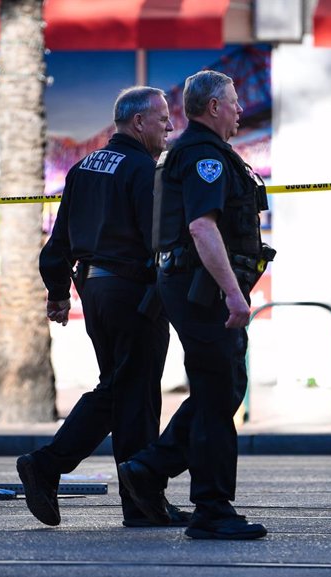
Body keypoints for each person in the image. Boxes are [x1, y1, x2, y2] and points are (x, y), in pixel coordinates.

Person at [16, 86, 190, 529]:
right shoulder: (143, 171)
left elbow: (58, 242)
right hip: (134, 293)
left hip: (95, 293)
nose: (170, 125)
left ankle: (139, 504)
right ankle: (48, 465)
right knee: (133, 393)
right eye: (163, 118)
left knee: (124, 391)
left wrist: (57, 291)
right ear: (137, 123)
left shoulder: (82, 169)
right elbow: (160, 242)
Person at [118, 70, 272, 540]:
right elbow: (202, 228)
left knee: (222, 390)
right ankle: (212, 509)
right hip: (202, 290)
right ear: (211, 108)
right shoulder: (203, 155)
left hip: (190, 286)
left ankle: (150, 468)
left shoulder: (193, 152)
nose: (240, 109)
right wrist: (231, 292)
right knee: (215, 395)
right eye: (233, 101)